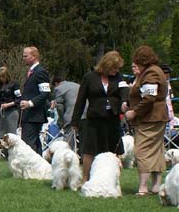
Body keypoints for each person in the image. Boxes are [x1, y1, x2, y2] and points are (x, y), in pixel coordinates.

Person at [71, 51, 127, 183]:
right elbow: (81, 100)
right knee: (89, 150)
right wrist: (75, 121)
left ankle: (113, 180)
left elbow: (125, 92)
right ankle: (86, 180)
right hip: (94, 119)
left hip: (112, 118)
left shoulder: (119, 77)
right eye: (114, 68)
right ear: (106, 66)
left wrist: (125, 103)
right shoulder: (89, 77)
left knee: (114, 151)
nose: (116, 71)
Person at [124, 45, 169, 196]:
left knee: (141, 150)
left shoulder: (151, 73)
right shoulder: (153, 72)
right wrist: (129, 104)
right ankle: (156, 186)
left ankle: (143, 187)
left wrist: (134, 112)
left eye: (137, 61)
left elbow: (149, 98)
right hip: (157, 117)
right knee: (156, 150)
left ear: (143, 60)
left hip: (150, 118)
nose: (135, 65)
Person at [19, 46, 51, 154]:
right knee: (35, 143)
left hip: (34, 115)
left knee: (28, 144)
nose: (23, 58)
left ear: (34, 56)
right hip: (29, 115)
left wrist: (30, 103)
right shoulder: (31, 71)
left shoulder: (40, 72)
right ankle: (41, 168)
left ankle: (31, 168)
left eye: (26, 56)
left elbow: (45, 93)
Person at [51, 74, 80, 150]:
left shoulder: (59, 88)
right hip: (85, 114)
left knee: (68, 140)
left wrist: (61, 120)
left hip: (71, 115)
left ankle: (66, 157)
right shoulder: (76, 85)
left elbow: (60, 107)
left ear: (56, 83)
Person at [0, 66, 21, 139]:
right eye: (0, 77)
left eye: (3, 77)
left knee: (11, 135)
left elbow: (19, 99)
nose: (2, 79)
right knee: (1, 134)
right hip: (0, 112)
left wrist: (8, 104)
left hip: (11, 112)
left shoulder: (14, 84)